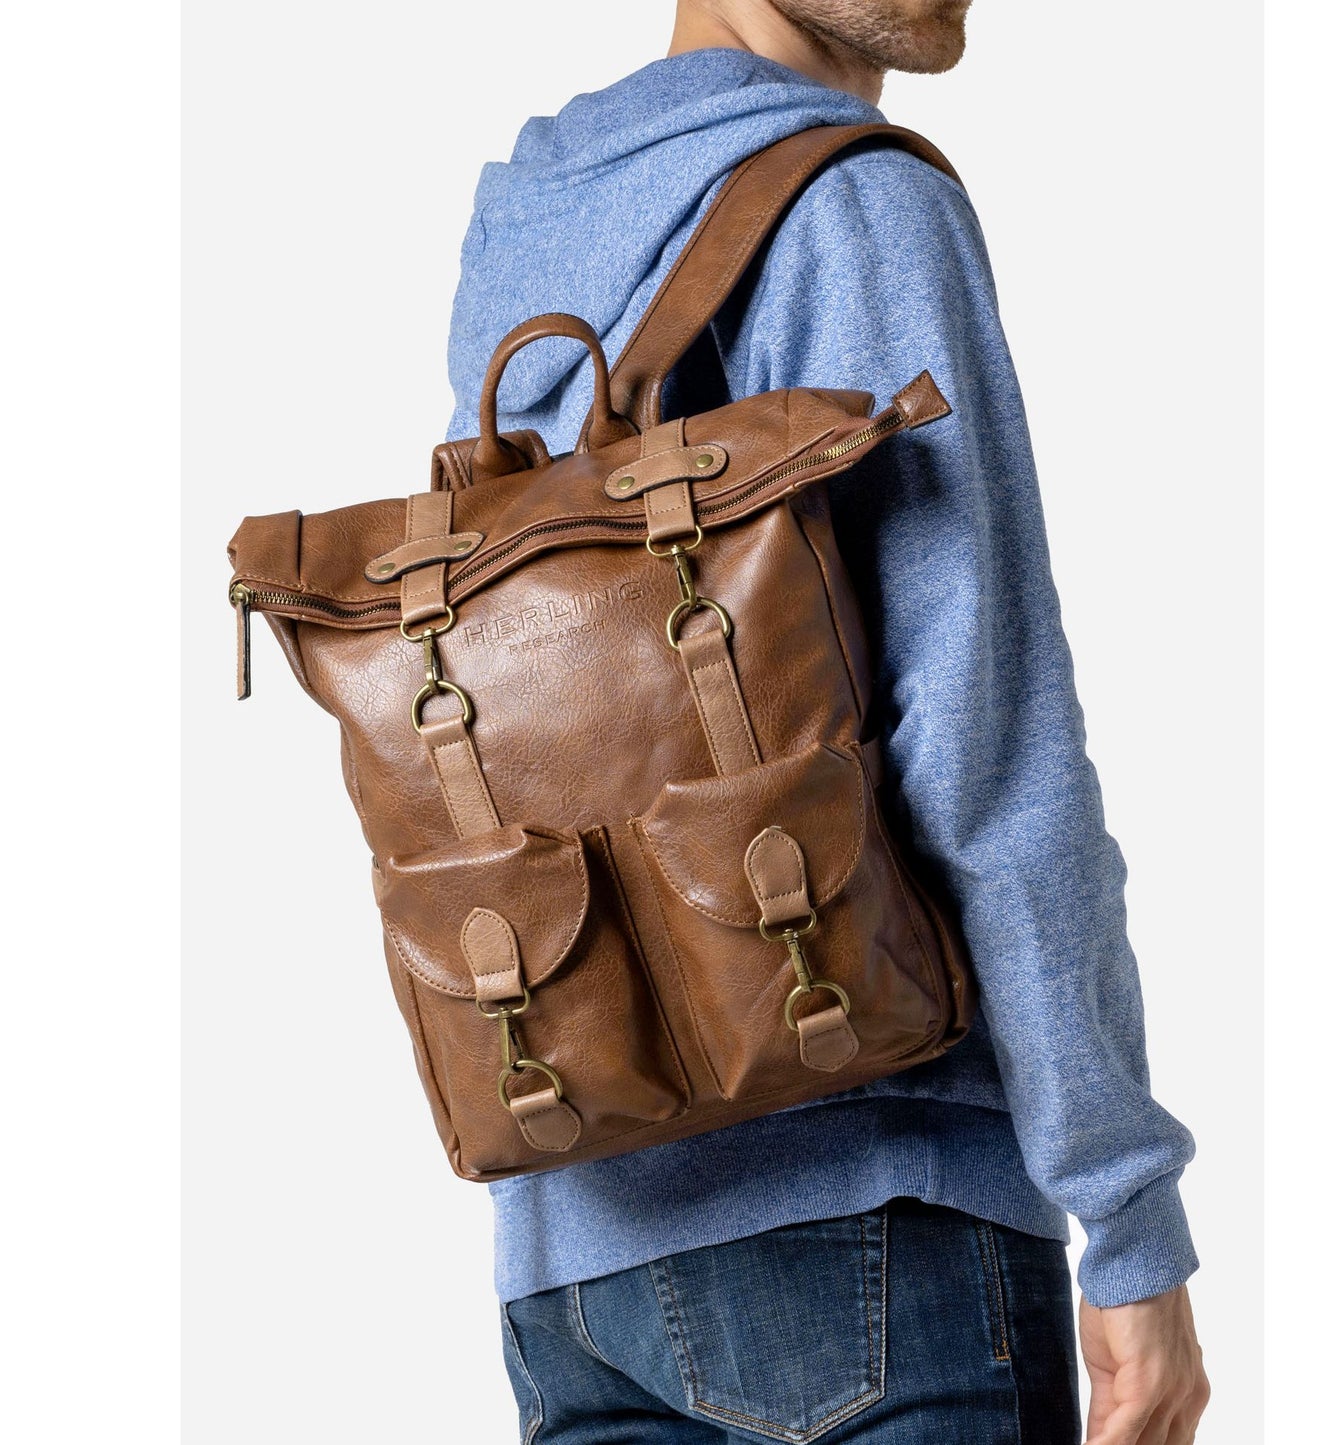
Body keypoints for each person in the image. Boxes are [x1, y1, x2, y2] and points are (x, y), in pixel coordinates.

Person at [443, 2, 1210, 1440]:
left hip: (573, 1256)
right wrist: (1128, 1216)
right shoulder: (858, 202)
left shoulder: (537, 214)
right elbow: (987, 749)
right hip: (875, 1223)